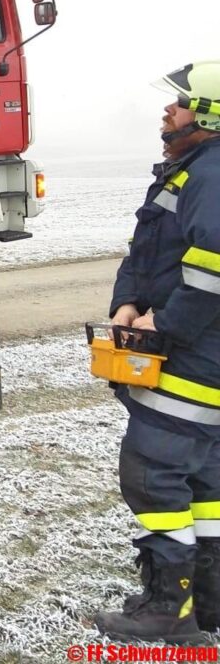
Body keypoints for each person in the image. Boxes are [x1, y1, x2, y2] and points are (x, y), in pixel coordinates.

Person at [94, 62, 220, 643]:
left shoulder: (212, 176)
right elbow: (145, 255)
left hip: (194, 364)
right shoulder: (189, 173)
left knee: (154, 474)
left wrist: (161, 328)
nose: (168, 111)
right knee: (205, 485)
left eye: (181, 103)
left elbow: (213, 272)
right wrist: (127, 305)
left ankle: (169, 612)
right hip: (194, 357)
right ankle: (208, 602)